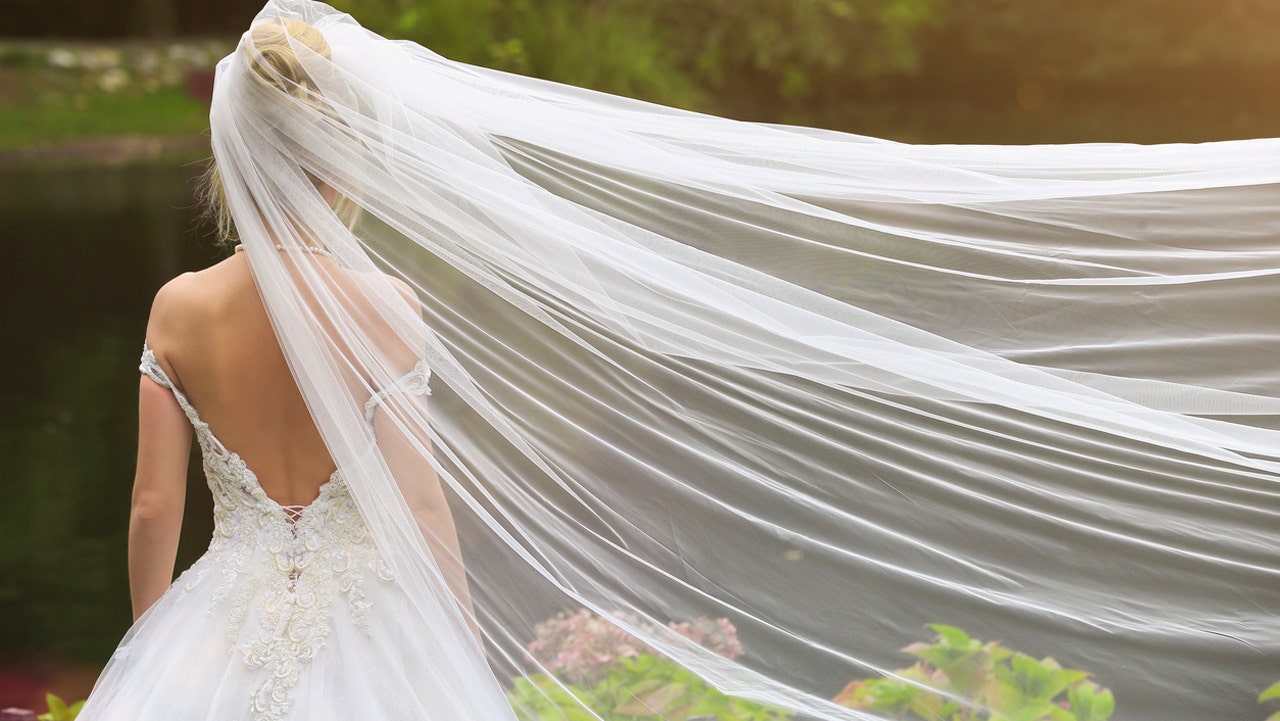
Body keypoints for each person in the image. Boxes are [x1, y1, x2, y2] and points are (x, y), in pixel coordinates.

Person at [80, 1, 1280, 720]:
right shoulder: (383, 304)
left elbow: (150, 506)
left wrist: (149, 643)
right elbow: (421, 503)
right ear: (341, 154)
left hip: (221, 619)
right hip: (368, 619)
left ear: (239, 155)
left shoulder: (178, 306)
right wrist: (453, 644)